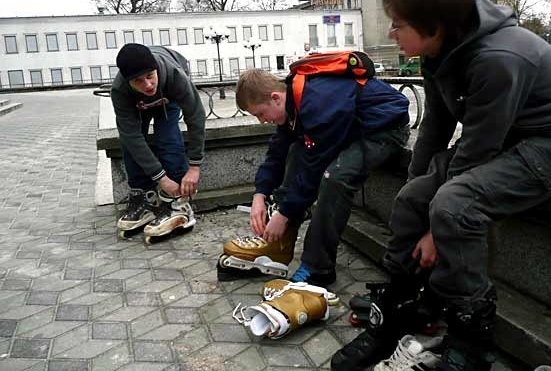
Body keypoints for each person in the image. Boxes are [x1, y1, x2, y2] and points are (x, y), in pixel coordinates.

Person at [331, 0, 551, 370]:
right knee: (411, 199)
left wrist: (436, 229)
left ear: (434, 25)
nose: (391, 34)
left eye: (398, 24)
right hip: (505, 138)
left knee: (453, 207)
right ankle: (404, 309)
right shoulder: (441, 52)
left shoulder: (498, 58)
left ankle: (471, 344)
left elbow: (477, 151)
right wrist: (416, 191)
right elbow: (435, 128)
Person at [220, 66, 410, 286]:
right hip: (351, 128)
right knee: (294, 151)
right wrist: (259, 194)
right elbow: (277, 153)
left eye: (260, 114)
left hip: (384, 130)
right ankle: (278, 244)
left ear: (275, 98)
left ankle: (318, 267)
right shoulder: (293, 101)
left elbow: (315, 168)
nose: (262, 121)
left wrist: (284, 212)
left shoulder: (316, 103)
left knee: (335, 177)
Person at [111, 43, 205, 240]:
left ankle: (178, 204)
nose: (147, 85)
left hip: (167, 96)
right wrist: (160, 178)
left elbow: (195, 116)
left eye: (149, 76)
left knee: (167, 135)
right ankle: (145, 198)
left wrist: (194, 166)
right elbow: (131, 136)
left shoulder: (175, 75)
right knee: (131, 142)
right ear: (128, 81)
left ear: (156, 70)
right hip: (137, 103)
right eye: (138, 81)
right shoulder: (120, 89)